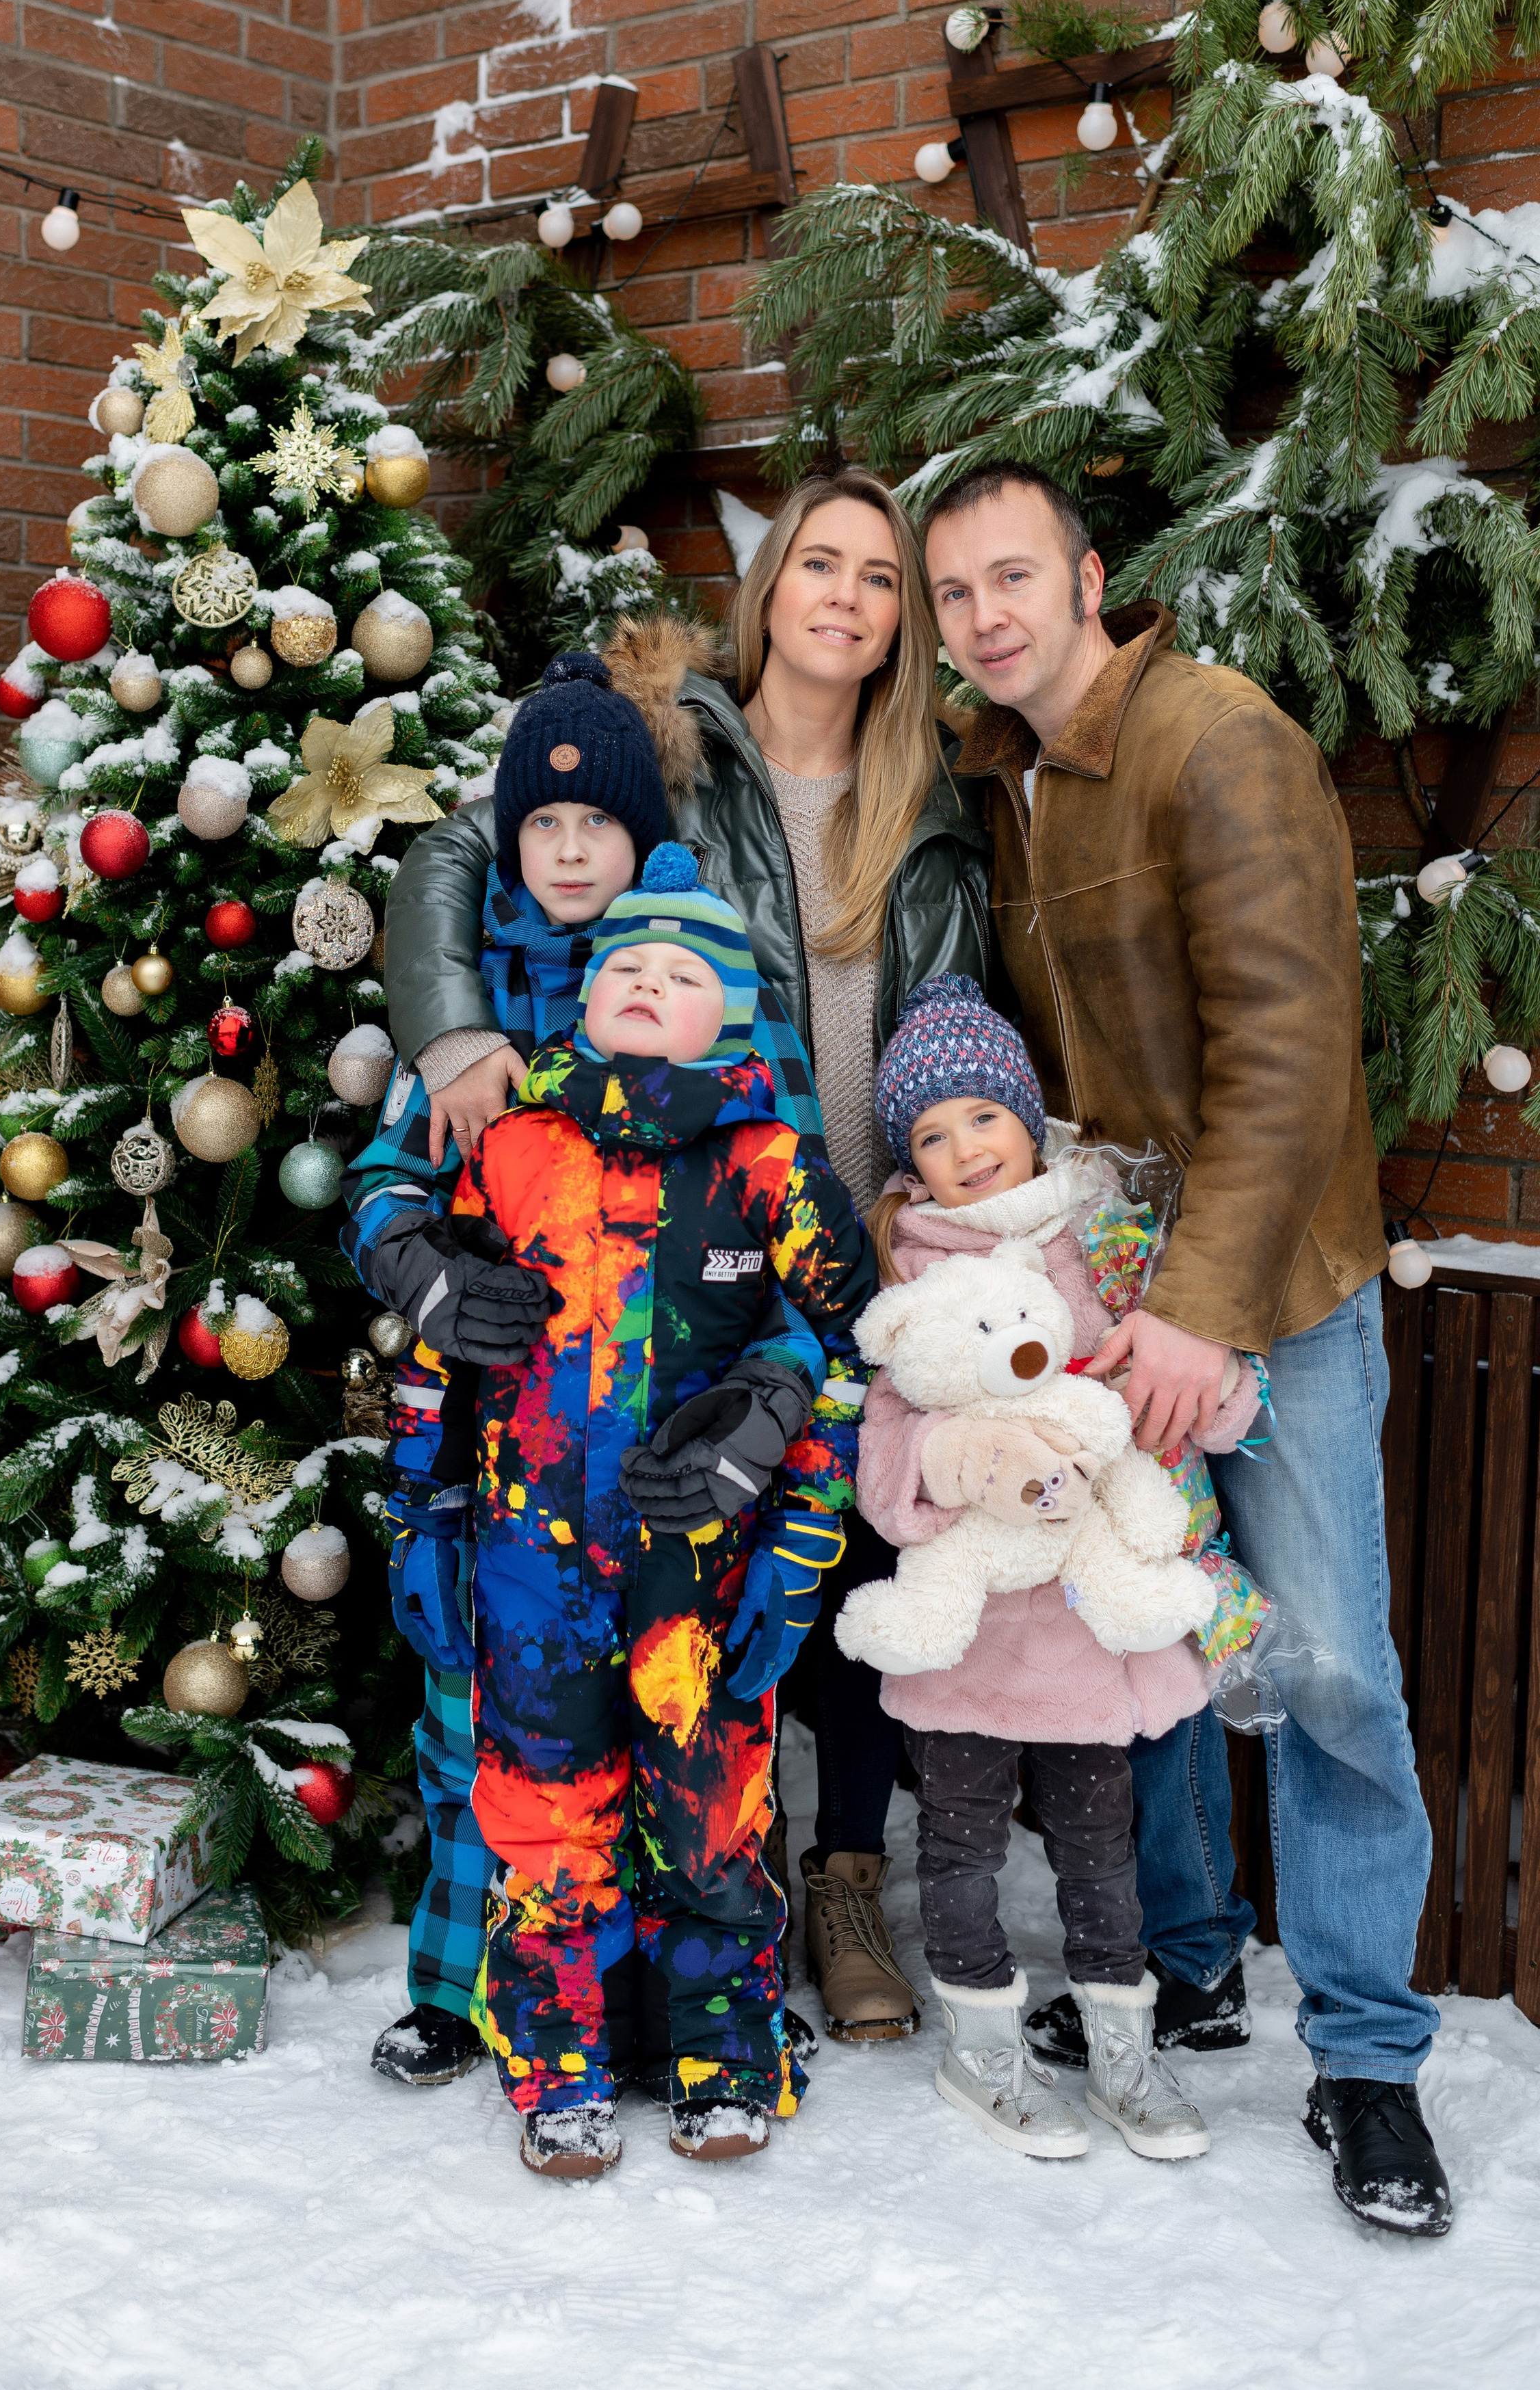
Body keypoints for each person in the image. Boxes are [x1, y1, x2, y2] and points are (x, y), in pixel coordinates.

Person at [383, 470, 990, 2041]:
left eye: (879, 576)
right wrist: (446, 1056)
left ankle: (785, 1915)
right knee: (530, 1675)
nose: (845, 596)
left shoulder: (933, 784)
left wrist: (806, 1358)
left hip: (822, 1229)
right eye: (819, 564)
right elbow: (477, 840)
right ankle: (524, 1982)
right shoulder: (670, 755)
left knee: (768, 1631)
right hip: (597, 1308)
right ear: (772, 582)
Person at [927, 459, 1450, 2235]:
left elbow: (1293, 1049)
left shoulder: (1216, 737)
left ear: (1089, 579)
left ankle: (1369, 2060)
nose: (986, 616)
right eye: (957, 595)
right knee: (1138, 1633)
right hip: (1122, 1286)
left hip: (1271, 1292)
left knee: (1330, 1672)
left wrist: (1205, 1312)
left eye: (1014, 577)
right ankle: (1190, 1958)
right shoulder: (1014, 785)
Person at [347, 652, 822, 2088]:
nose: (565, 850)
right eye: (539, 825)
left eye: (594, 825)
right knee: (490, 1727)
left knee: (692, 1738)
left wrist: (776, 1413)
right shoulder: (474, 1000)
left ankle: (684, 2005)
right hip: (511, 1448)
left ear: (641, 842)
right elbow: (384, 1187)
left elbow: (795, 1227)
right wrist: (422, 1271)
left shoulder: (698, 980)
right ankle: (467, 1983)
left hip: (678, 1452)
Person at [382, 845, 878, 2177]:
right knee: (547, 1823)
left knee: (710, 1818)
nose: (650, 985)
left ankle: (724, 2056)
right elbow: (440, 1352)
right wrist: (418, 1507)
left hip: (697, 1577)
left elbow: (853, 1349)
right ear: (585, 997)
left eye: (684, 972)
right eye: (627, 968)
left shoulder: (767, 1167)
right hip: (530, 1566)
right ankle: (559, 2068)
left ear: (729, 1011)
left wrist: (795, 1533)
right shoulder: (513, 1151)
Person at [853, 972, 1265, 2164]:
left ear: (1027, 1117)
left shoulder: (1110, 1237)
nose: (963, 1150)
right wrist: (955, 1455)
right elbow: (884, 1468)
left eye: (981, 1116)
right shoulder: (913, 1276)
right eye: (930, 1137)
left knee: (1101, 1846)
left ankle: (1124, 2053)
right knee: (966, 1845)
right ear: (911, 1168)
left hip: (1089, 1636)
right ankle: (984, 2052)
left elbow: (1196, 1397)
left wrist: (1214, 1388)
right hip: (974, 1637)